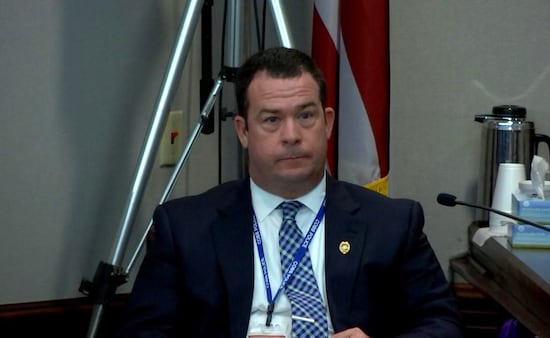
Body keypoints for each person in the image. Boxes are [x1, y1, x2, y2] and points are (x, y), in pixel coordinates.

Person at [116, 46, 464, 338]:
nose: (292, 134)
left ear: (327, 122)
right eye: (271, 120)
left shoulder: (391, 223)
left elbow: (443, 324)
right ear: (243, 131)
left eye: (306, 116)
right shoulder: (185, 228)